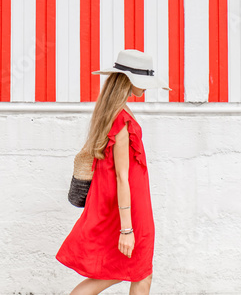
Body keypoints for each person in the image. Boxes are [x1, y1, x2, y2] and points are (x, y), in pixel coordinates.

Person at [55, 49, 172, 295]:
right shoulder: (121, 120)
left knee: (127, 273)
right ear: (129, 80)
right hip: (130, 211)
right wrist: (127, 229)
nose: (147, 87)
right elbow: (121, 176)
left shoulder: (114, 112)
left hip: (127, 206)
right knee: (139, 274)